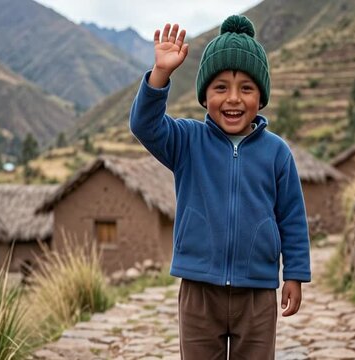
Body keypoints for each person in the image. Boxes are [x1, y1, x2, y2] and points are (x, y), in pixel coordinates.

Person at [129, 14, 311, 359]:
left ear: (261, 95)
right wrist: (160, 75)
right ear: (204, 96)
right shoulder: (187, 141)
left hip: (257, 293)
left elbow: (292, 218)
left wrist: (295, 274)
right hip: (199, 289)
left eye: (246, 88)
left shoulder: (277, 152)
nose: (233, 99)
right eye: (220, 88)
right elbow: (144, 125)